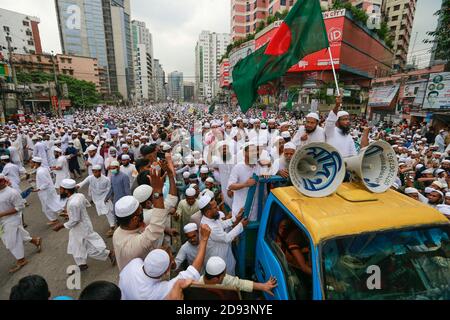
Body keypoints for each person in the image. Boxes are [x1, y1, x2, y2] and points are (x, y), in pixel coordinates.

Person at [118, 224, 211, 300]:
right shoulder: (158, 291)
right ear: (167, 271)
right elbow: (193, 271)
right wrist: (204, 239)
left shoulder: (134, 263)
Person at [52, 179, 116, 271]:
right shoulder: (79, 195)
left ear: (66, 190)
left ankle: (110, 253)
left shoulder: (74, 203)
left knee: (90, 249)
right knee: (75, 246)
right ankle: (82, 264)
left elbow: (75, 220)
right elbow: (85, 205)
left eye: (61, 189)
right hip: (80, 226)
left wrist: (61, 226)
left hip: (81, 228)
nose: (59, 190)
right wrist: (69, 213)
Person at [112, 175, 169, 271]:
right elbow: (155, 228)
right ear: (134, 219)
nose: (143, 211)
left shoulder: (119, 231)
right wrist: (157, 191)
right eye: (141, 211)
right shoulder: (133, 245)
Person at [0, 174, 42, 273]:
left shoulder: (12, 192)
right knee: (19, 235)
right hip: (2, 220)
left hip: (11, 219)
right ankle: (36, 241)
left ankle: (21, 260)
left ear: (4, 181)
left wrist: (2, 214)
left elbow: (20, 207)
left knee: (11, 241)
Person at [199, 194, 248, 276]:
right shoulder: (208, 226)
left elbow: (222, 224)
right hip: (219, 259)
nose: (218, 209)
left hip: (225, 253)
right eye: (215, 208)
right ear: (208, 212)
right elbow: (227, 238)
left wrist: (236, 218)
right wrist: (241, 225)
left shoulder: (212, 218)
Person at [198, 256, 278, 296]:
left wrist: (263, 286)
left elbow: (239, 283)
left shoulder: (223, 279)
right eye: (223, 275)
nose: (225, 276)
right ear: (216, 279)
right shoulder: (196, 285)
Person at [77, 165, 116, 237]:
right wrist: (76, 186)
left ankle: (112, 227)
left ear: (100, 171)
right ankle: (116, 220)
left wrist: (107, 197)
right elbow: (82, 183)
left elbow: (109, 189)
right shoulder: (90, 178)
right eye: (93, 171)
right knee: (109, 210)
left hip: (104, 197)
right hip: (96, 198)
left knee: (107, 211)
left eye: (96, 172)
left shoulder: (106, 179)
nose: (94, 173)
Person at [227, 142, 260, 221]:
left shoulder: (259, 166)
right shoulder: (238, 167)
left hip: (256, 208)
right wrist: (245, 184)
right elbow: (230, 186)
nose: (255, 153)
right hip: (240, 207)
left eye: (256, 151)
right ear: (245, 153)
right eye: (252, 151)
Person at [31, 157, 63, 225]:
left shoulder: (40, 172)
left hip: (45, 192)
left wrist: (38, 189)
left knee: (47, 207)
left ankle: (55, 219)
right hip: (49, 190)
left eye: (31, 162)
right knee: (54, 203)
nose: (30, 164)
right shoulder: (43, 169)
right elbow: (45, 180)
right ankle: (63, 214)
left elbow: (46, 182)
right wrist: (35, 180)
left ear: (35, 163)